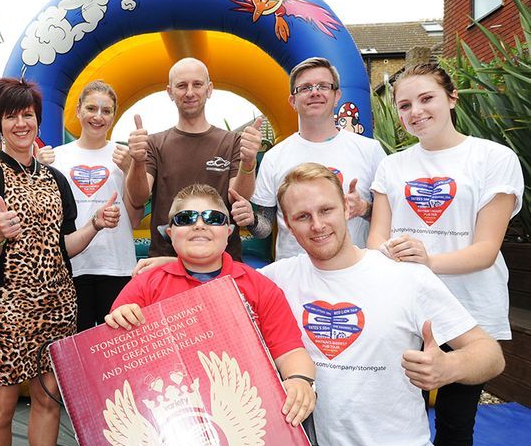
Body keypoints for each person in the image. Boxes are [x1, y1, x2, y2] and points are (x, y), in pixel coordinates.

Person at [259, 163, 505, 446]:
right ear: (287, 223)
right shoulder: (275, 281)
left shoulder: (405, 277)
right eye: (302, 216)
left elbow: (490, 355)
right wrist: (154, 271)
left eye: (326, 209)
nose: (317, 225)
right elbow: (206, 288)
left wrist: (448, 367)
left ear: (347, 207)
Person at [0, 77, 120, 446]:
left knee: (48, 399)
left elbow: (63, 245)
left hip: (56, 306)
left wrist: (96, 226)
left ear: (37, 119)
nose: (20, 122)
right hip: (2, 308)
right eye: (10, 115)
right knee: (1, 405)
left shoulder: (55, 179)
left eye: (27, 114)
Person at [367, 62, 524, 446]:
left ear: (451, 97)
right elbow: (376, 239)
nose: (415, 111)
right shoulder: (392, 167)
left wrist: (426, 262)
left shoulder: (494, 158)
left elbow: (486, 250)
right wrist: (387, 255)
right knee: (399, 415)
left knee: (456, 422)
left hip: (469, 309)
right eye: (404, 105)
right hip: (404, 308)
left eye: (426, 98)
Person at [105, 184, 317, 427]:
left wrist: (300, 380)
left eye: (213, 218)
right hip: (168, 417)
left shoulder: (259, 286)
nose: (199, 225)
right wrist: (119, 321)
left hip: (244, 415)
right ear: (170, 233)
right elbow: (115, 363)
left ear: (228, 231)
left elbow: (289, 350)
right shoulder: (145, 286)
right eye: (185, 218)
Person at [231, 57, 386, 260]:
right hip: (296, 279)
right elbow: (265, 228)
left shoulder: (370, 151)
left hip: (355, 275)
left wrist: (364, 208)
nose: (314, 92)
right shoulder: (274, 157)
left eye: (323, 86)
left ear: (337, 95)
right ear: (292, 101)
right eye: (304, 88)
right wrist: (252, 221)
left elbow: (393, 218)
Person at [126, 57, 263, 260]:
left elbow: (238, 197)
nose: (190, 92)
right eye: (181, 86)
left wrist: (249, 160)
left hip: (223, 261)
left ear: (209, 89)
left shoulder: (232, 141)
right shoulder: (154, 143)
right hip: (167, 260)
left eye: (197, 84)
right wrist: (137, 161)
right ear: (170, 92)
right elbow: (138, 198)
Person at [43, 80, 141, 332]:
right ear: (78, 111)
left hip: (116, 264)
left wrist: (132, 169)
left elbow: (136, 214)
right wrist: (38, 167)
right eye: (91, 108)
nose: (98, 116)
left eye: (106, 110)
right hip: (72, 267)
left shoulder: (123, 156)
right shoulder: (57, 157)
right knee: (77, 348)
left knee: (117, 347)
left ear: (113, 116)